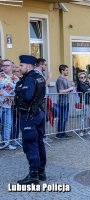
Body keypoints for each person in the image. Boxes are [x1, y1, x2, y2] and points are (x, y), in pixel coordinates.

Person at [15, 55, 46, 184]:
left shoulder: (30, 78)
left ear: (28, 66)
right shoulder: (39, 77)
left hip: (29, 115)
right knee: (39, 142)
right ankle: (41, 172)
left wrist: (18, 88)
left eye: (21, 65)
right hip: (38, 113)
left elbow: (27, 96)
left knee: (30, 144)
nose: (19, 67)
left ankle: (33, 175)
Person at [0, 59, 19, 150]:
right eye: (3, 65)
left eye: (7, 65)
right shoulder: (0, 76)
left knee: (7, 125)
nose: (5, 67)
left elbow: (18, 90)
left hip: (8, 105)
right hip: (0, 104)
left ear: (12, 67)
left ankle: (6, 143)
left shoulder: (16, 79)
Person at [56, 65, 74, 139]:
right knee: (62, 118)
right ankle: (59, 134)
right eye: (66, 70)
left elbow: (67, 89)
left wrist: (71, 88)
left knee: (65, 118)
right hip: (62, 102)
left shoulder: (65, 79)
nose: (67, 71)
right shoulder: (60, 80)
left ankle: (63, 132)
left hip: (66, 101)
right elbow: (60, 91)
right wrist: (70, 88)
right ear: (62, 71)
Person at [76, 72, 90, 136]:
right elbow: (85, 90)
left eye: (84, 77)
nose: (83, 78)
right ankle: (82, 130)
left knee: (88, 116)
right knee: (83, 116)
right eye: (81, 77)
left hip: (89, 101)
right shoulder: (79, 84)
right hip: (84, 102)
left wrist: (89, 82)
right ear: (79, 78)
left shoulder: (87, 83)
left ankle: (87, 129)